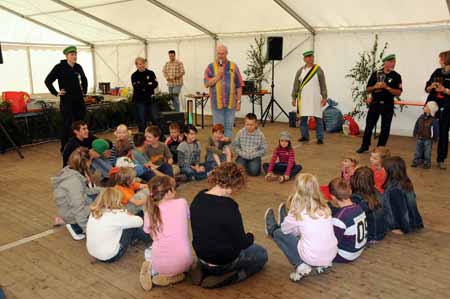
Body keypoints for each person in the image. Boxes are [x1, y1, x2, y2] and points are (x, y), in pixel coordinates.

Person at [190, 162, 268, 288]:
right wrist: (251, 236)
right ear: (232, 185)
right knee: (261, 254)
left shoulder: (198, 197)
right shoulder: (229, 207)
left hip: (202, 254)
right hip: (223, 261)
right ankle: (230, 277)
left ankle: (203, 268)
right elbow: (242, 242)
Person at [264, 173, 337, 282]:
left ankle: (300, 265)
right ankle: (287, 222)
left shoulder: (298, 211)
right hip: (331, 254)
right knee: (304, 231)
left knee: (279, 233)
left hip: (312, 256)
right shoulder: (325, 207)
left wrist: (290, 220)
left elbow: (284, 230)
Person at [139, 176, 192, 291]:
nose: (176, 191)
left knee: (149, 249)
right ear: (168, 192)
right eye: (174, 188)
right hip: (186, 261)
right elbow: (188, 217)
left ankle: (151, 269)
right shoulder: (182, 203)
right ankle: (173, 276)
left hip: (161, 265)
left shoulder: (149, 212)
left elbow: (150, 234)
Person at [52, 147, 102, 240]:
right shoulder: (74, 182)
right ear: (86, 162)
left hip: (70, 208)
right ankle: (75, 227)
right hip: (72, 213)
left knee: (101, 198)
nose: (91, 163)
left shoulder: (71, 170)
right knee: (102, 206)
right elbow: (78, 208)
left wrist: (103, 190)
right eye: (90, 161)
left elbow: (85, 191)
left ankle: (76, 223)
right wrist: (87, 230)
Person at [356, 54, 403, 153]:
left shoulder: (396, 76)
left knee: (385, 128)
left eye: (394, 62)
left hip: (387, 105)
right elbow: (368, 89)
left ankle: (380, 149)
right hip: (375, 104)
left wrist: (387, 87)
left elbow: (398, 92)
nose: (393, 64)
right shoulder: (376, 74)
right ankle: (365, 146)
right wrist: (375, 87)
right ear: (385, 63)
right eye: (391, 62)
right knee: (369, 126)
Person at [86, 188, 147, 263]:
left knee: (125, 223)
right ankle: (149, 240)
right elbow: (140, 221)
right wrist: (128, 213)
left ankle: (138, 239)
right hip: (110, 257)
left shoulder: (94, 211)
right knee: (131, 225)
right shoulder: (117, 215)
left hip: (93, 252)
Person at [45, 46, 88, 151]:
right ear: (66, 56)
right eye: (72, 55)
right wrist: (56, 93)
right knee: (67, 124)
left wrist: (84, 92)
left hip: (79, 100)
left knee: (81, 123)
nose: (74, 56)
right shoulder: (59, 67)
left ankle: (81, 145)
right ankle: (65, 147)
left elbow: (84, 79)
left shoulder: (78, 67)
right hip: (67, 101)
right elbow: (48, 81)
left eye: (75, 54)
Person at [204, 44, 243, 138]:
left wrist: (238, 101)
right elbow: (206, 83)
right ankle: (218, 149)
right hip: (217, 104)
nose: (221, 56)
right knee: (218, 128)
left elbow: (239, 85)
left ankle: (227, 149)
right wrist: (218, 76)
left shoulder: (234, 66)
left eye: (223, 53)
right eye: (219, 54)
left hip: (231, 104)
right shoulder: (210, 67)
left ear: (227, 53)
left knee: (229, 127)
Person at [291, 50, 327, 144]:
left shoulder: (318, 70)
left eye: (312, 57)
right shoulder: (300, 71)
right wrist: (293, 98)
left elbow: (323, 84)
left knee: (318, 118)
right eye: (308, 57)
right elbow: (296, 85)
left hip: (315, 98)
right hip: (303, 98)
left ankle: (320, 138)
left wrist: (324, 97)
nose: (310, 58)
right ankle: (305, 136)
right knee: (303, 118)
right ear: (304, 59)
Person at [328, 178, 367, 263]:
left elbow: (332, 243)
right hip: (358, 249)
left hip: (345, 255)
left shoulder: (339, 219)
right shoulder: (359, 207)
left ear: (333, 197)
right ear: (350, 191)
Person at [382, 156, 424, 234]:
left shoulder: (395, 190)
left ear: (391, 171)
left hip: (399, 224)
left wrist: (403, 228)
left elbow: (401, 211)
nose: (382, 170)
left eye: (384, 169)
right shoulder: (405, 182)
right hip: (413, 220)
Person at [424, 50, 450, 169]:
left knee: (443, 132)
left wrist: (445, 90)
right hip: (433, 104)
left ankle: (441, 159)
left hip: (447, 106)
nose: (439, 60)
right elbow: (427, 88)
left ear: (446, 59)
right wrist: (431, 87)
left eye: (441, 58)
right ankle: (423, 158)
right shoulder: (437, 72)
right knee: (425, 130)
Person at [350, 167, 385, 243]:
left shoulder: (357, 198)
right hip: (382, 231)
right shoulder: (376, 191)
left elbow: (352, 215)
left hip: (371, 235)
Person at [131, 57, 159, 133]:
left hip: (151, 99)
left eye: (143, 63)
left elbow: (155, 84)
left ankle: (156, 135)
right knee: (142, 119)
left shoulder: (151, 73)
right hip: (139, 100)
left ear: (145, 64)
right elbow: (137, 87)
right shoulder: (134, 75)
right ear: (136, 65)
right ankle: (142, 136)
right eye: (140, 64)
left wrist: (143, 85)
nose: (142, 65)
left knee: (155, 118)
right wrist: (148, 84)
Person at [411, 101, 439, 169]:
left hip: (428, 140)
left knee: (427, 153)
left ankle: (427, 163)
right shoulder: (421, 117)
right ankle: (416, 161)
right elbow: (416, 125)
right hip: (420, 137)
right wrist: (415, 132)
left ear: (430, 109)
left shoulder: (434, 120)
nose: (424, 107)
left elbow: (436, 130)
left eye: (426, 106)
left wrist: (435, 138)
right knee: (418, 151)